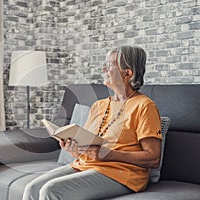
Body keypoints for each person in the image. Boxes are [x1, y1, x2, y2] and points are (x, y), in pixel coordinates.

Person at [22, 46, 162, 200]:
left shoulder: (144, 106)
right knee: (32, 188)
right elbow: (88, 151)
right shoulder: (98, 106)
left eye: (109, 65)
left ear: (127, 73)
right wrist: (73, 148)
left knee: (51, 190)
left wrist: (108, 154)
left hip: (122, 174)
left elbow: (153, 158)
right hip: (87, 166)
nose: (103, 69)